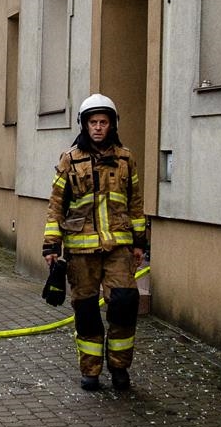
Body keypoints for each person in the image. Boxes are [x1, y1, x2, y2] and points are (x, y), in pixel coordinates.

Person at [43, 93, 148, 393]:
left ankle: (119, 367)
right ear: (84, 125)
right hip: (80, 251)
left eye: (103, 122)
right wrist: (51, 245)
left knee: (125, 306)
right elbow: (56, 207)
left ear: (112, 124)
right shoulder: (69, 160)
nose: (98, 128)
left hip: (118, 247)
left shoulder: (126, 159)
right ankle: (90, 370)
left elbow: (136, 204)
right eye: (93, 122)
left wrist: (140, 243)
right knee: (86, 311)